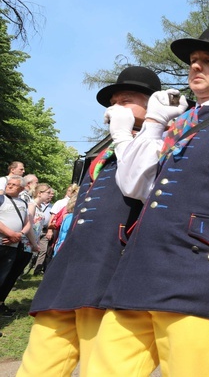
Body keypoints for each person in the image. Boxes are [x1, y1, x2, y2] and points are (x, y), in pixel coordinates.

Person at [88, 25, 209, 376]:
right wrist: (151, 123)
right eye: (193, 61)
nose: (195, 67)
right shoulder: (175, 126)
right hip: (135, 276)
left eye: (208, 61)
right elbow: (133, 185)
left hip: (195, 278)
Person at [17, 66, 162, 376]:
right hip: (68, 269)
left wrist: (140, 133)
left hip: (110, 267)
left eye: (126, 100)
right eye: (114, 103)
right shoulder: (100, 153)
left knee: (101, 366)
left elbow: (141, 189)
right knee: (38, 366)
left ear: (152, 105)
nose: (116, 108)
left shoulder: (160, 144)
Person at [0, 176, 30, 305]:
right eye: (9, 184)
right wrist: (10, 233)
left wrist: (20, 234)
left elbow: (28, 223)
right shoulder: (1, 199)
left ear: (22, 188)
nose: (10, 186)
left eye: (14, 185)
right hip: (1, 243)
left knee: (3, 277)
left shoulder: (23, 203)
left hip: (12, 246)